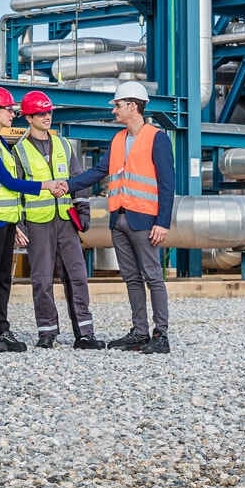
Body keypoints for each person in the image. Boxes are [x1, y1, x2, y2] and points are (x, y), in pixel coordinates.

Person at [66, 80, 174, 354]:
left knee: (153, 277)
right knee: (132, 279)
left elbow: (167, 184)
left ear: (133, 106)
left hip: (145, 220)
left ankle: (160, 335)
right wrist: (66, 185)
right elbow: (98, 172)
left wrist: (162, 222)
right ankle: (140, 332)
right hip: (119, 220)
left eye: (118, 105)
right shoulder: (117, 140)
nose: (114, 110)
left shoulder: (157, 138)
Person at [0, 85, 67, 353]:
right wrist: (45, 185)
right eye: (9, 110)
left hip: (7, 219)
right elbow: (9, 182)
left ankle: (2, 328)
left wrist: (17, 221)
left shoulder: (0, 142)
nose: (13, 114)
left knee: (3, 277)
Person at [10, 90, 102, 349]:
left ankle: (85, 333)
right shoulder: (19, 151)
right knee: (41, 279)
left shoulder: (64, 145)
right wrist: (18, 223)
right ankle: (47, 331)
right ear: (29, 118)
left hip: (65, 220)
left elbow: (77, 179)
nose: (47, 116)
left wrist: (83, 209)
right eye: (40, 113)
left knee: (77, 276)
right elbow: (15, 190)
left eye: (48, 112)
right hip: (37, 223)